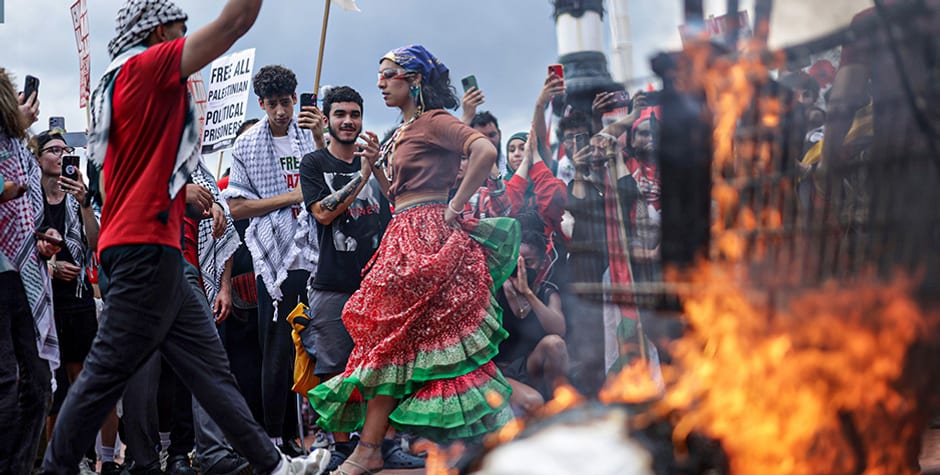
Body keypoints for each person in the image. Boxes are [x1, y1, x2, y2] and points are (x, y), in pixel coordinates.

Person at [39, 1, 328, 473]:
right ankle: (56, 467)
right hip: (145, 250)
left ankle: (273, 466)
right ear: (156, 33)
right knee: (104, 374)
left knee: (210, 370)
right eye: (178, 29)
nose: (185, 38)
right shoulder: (145, 68)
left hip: (157, 250)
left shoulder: (119, 84)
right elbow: (236, 21)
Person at [310, 44, 518, 475]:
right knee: (400, 347)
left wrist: (456, 206)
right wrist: (376, 167)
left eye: (388, 75)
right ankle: (378, 448)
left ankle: (374, 449)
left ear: (415, 79)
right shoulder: (400, 131)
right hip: (402, 236)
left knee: (421, 350)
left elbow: (485, 152)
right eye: (380, 75)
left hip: (428, 239)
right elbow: (395, 196)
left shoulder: (435, 121)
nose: (380, 83)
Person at [223, 64, 322, 456]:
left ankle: (314, 434)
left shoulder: (312, 139)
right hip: (272, 259)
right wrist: (291, 199)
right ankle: (275, 437)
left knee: (316, 347)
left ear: (295, 100)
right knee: (276, 350)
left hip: (314, 253)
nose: (281, 111)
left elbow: (333, 184)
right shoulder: (246, 146)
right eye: (272, 104)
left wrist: (318, 135)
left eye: (286, 102)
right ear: (260, 104)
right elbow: (237, 206)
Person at [30, 129, 124, 474]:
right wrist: (51, 267)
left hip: (79, 298)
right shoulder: (30, 201)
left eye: (65, 150)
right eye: (53, 150)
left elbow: (96, 242)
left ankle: (103, 458)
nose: (60, 155)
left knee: (86, 378)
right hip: (43, 300)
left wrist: (85, 202)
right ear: (38, 158)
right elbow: (23, 247)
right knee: (54, 386)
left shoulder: (79, 198)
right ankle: (61, 461)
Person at [0, 67, 59, 475]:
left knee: (38, 384)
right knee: (4, 382)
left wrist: (41, 236)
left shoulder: (19, 147)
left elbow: (25, 212)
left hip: (20, 276)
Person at [495, 226, 569, 416]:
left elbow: (558, 330)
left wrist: (528, 293)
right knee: (533, 402)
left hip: (530, 366)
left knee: (555, 343)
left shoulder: (546, 292)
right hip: (500, 373)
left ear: (542, 263)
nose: (522, 268)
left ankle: (559, 406)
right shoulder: (494, 290)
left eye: (529, 262)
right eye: (517, 262)